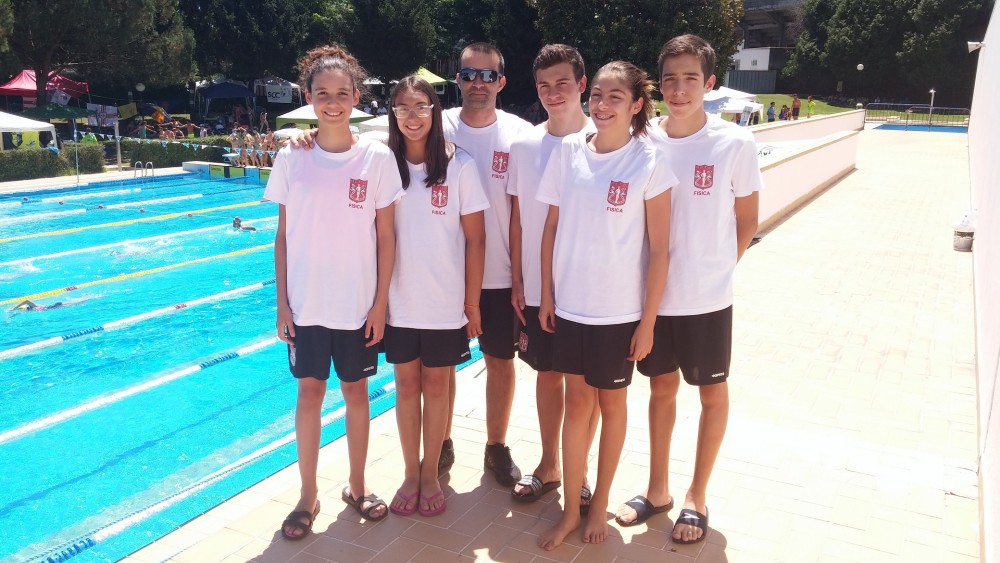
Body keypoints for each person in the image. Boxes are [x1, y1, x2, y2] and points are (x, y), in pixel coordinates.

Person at [613, 34, 762, 545]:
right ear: (659, 85)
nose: (679, 90)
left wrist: (717, 269)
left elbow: (747, 220)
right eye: (670, 80)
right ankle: (658, 489)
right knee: (660, 389)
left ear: (710, 83)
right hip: (652, 297)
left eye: (690, 79)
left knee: (712, 393)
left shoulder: (734, 144)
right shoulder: (643, 140)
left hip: (707, 299)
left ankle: (697, 495)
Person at [265, 44, 402, 540]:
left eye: (342, 93)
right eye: (323, 93)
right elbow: (283, 236)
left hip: (356, 304)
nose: (333, 102)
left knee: (356, 392)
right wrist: (282, 304)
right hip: (306, 305)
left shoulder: (377, 157)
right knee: (309, 394)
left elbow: (387, 237)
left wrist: (380, 304)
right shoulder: (291, 156)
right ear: (308, 96)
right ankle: (307, 495)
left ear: (357, 96)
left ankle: (358, 485)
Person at [535, 60, 674, 550]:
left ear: (636, 105)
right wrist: (547, 294)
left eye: (616, 96)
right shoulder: (569, 151)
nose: (602, 104)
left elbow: (661, 250)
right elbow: (551, 227)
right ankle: (570, 510)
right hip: (572, 306)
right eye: (597, 94)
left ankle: (599, 505)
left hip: (619, 313)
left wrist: (648, 322)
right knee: (577, 405)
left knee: (612, 406)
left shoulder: (650, 161)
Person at [383, 75, 488, 518]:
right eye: (403, 108)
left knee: (438, 386)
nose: (412, 116)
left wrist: (471, 305)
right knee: (407, 388)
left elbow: (476, 240)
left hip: (445, 303)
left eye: (421, 107)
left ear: (435, 112)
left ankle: (431, 473)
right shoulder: (382, 163)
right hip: (398, 302)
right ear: (393, 114)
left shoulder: (459, 164)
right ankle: (411, 472)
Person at [507, 44, 600, 513]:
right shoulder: (524, 145)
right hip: (535, 284)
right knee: (547, 375)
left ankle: (579, 471)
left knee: (585, 386)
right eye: (544, 85)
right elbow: (518, 216)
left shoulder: (605, 140)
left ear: (582, 83)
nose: (553, 93)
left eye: (563, 82)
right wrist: (517, 280)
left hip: (588, 288)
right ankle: (550, 464)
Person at [439, 42, 534, 486]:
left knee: (500, 361)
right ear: (458, 79)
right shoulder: (435, 125)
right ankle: (441, 442)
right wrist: (309, 137)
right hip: (444, 275)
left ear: (501, 81)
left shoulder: (520, 134)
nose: (478, 83)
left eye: (487, 75)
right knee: (442, 366)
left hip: (499, 275)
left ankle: (496, 446)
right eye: (469, 74)